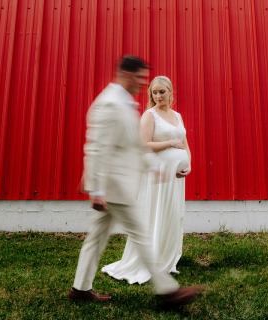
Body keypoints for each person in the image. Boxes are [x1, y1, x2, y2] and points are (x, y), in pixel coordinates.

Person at [69, 56, 199, 306]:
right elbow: (97, 148)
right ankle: (169, 291)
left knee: (95, 239)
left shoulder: (124, 102)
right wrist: (96, 188)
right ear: (128, 75)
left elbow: (129, 146)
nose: (142, 84)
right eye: (139, 78)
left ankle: (80, 288)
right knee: (140, 233)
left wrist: (152, 167)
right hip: (113, 185)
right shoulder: (109, 103)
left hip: (115, 184)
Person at [102, 75, 191, 284]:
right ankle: (150, 260)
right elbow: (143, 144)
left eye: (162, 91)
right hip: (159, 176)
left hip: (176, 178)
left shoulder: (177, 115)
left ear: (170, 92)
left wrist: (189, 164)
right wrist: (170, 143)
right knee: (157, 214)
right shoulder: (150, 116)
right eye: (154, 92)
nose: (158, 96)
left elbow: (185, 144)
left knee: (172, 214)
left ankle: (167, 257)